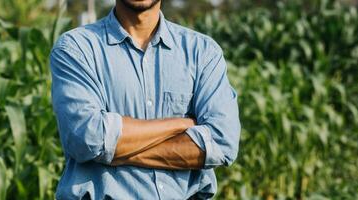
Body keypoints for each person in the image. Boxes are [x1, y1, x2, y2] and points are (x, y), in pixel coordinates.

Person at [49, 0, 241, 199]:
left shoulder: (202, 52)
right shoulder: (77, 49)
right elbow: (87, 138)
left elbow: (222, 142)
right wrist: (180, 124)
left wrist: (113, 151)